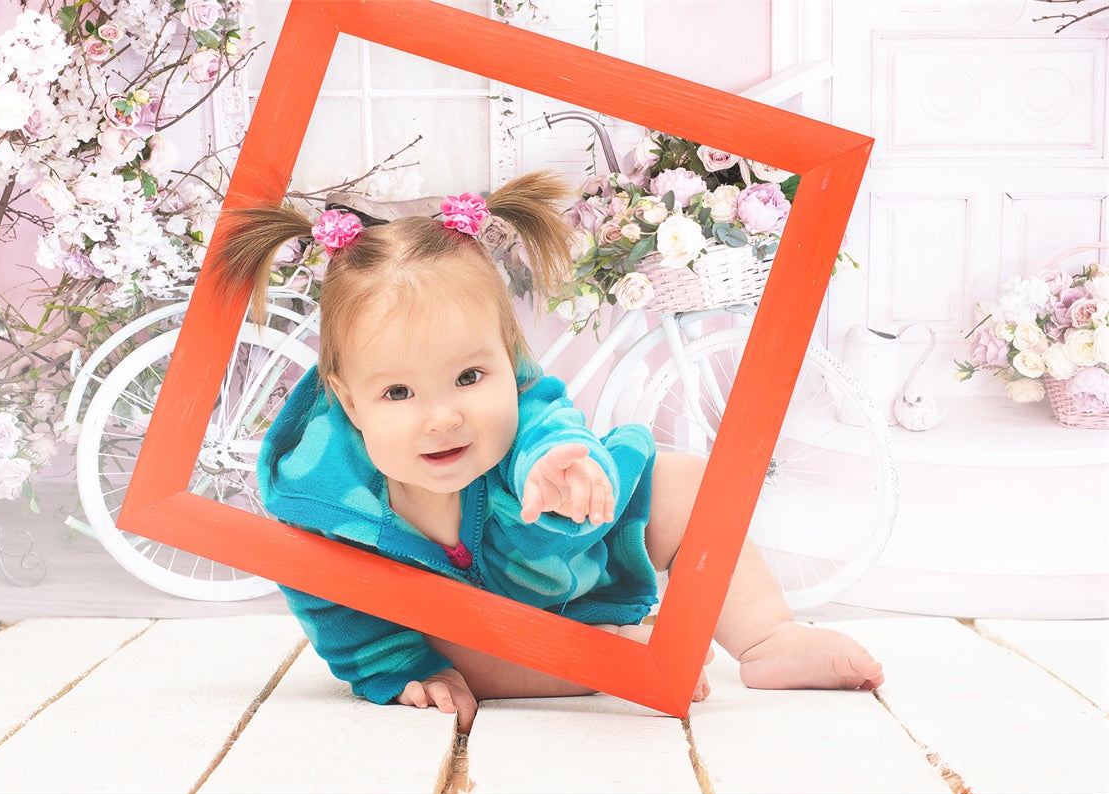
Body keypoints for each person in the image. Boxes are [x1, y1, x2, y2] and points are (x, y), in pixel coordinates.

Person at [216, 171, 884, 732]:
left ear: (508, 362)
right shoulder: (321, 494)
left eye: (469, 377)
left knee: (690, 485)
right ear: (347, 400)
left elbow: (550, 423)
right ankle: (600, 661)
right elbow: (328, 598)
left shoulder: (528, 420)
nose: (442, 417)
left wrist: (564, 463)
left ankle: (768, 638)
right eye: (398, 392)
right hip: (489, 641)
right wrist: (396, 668)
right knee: (445, 647)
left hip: (578, 561)